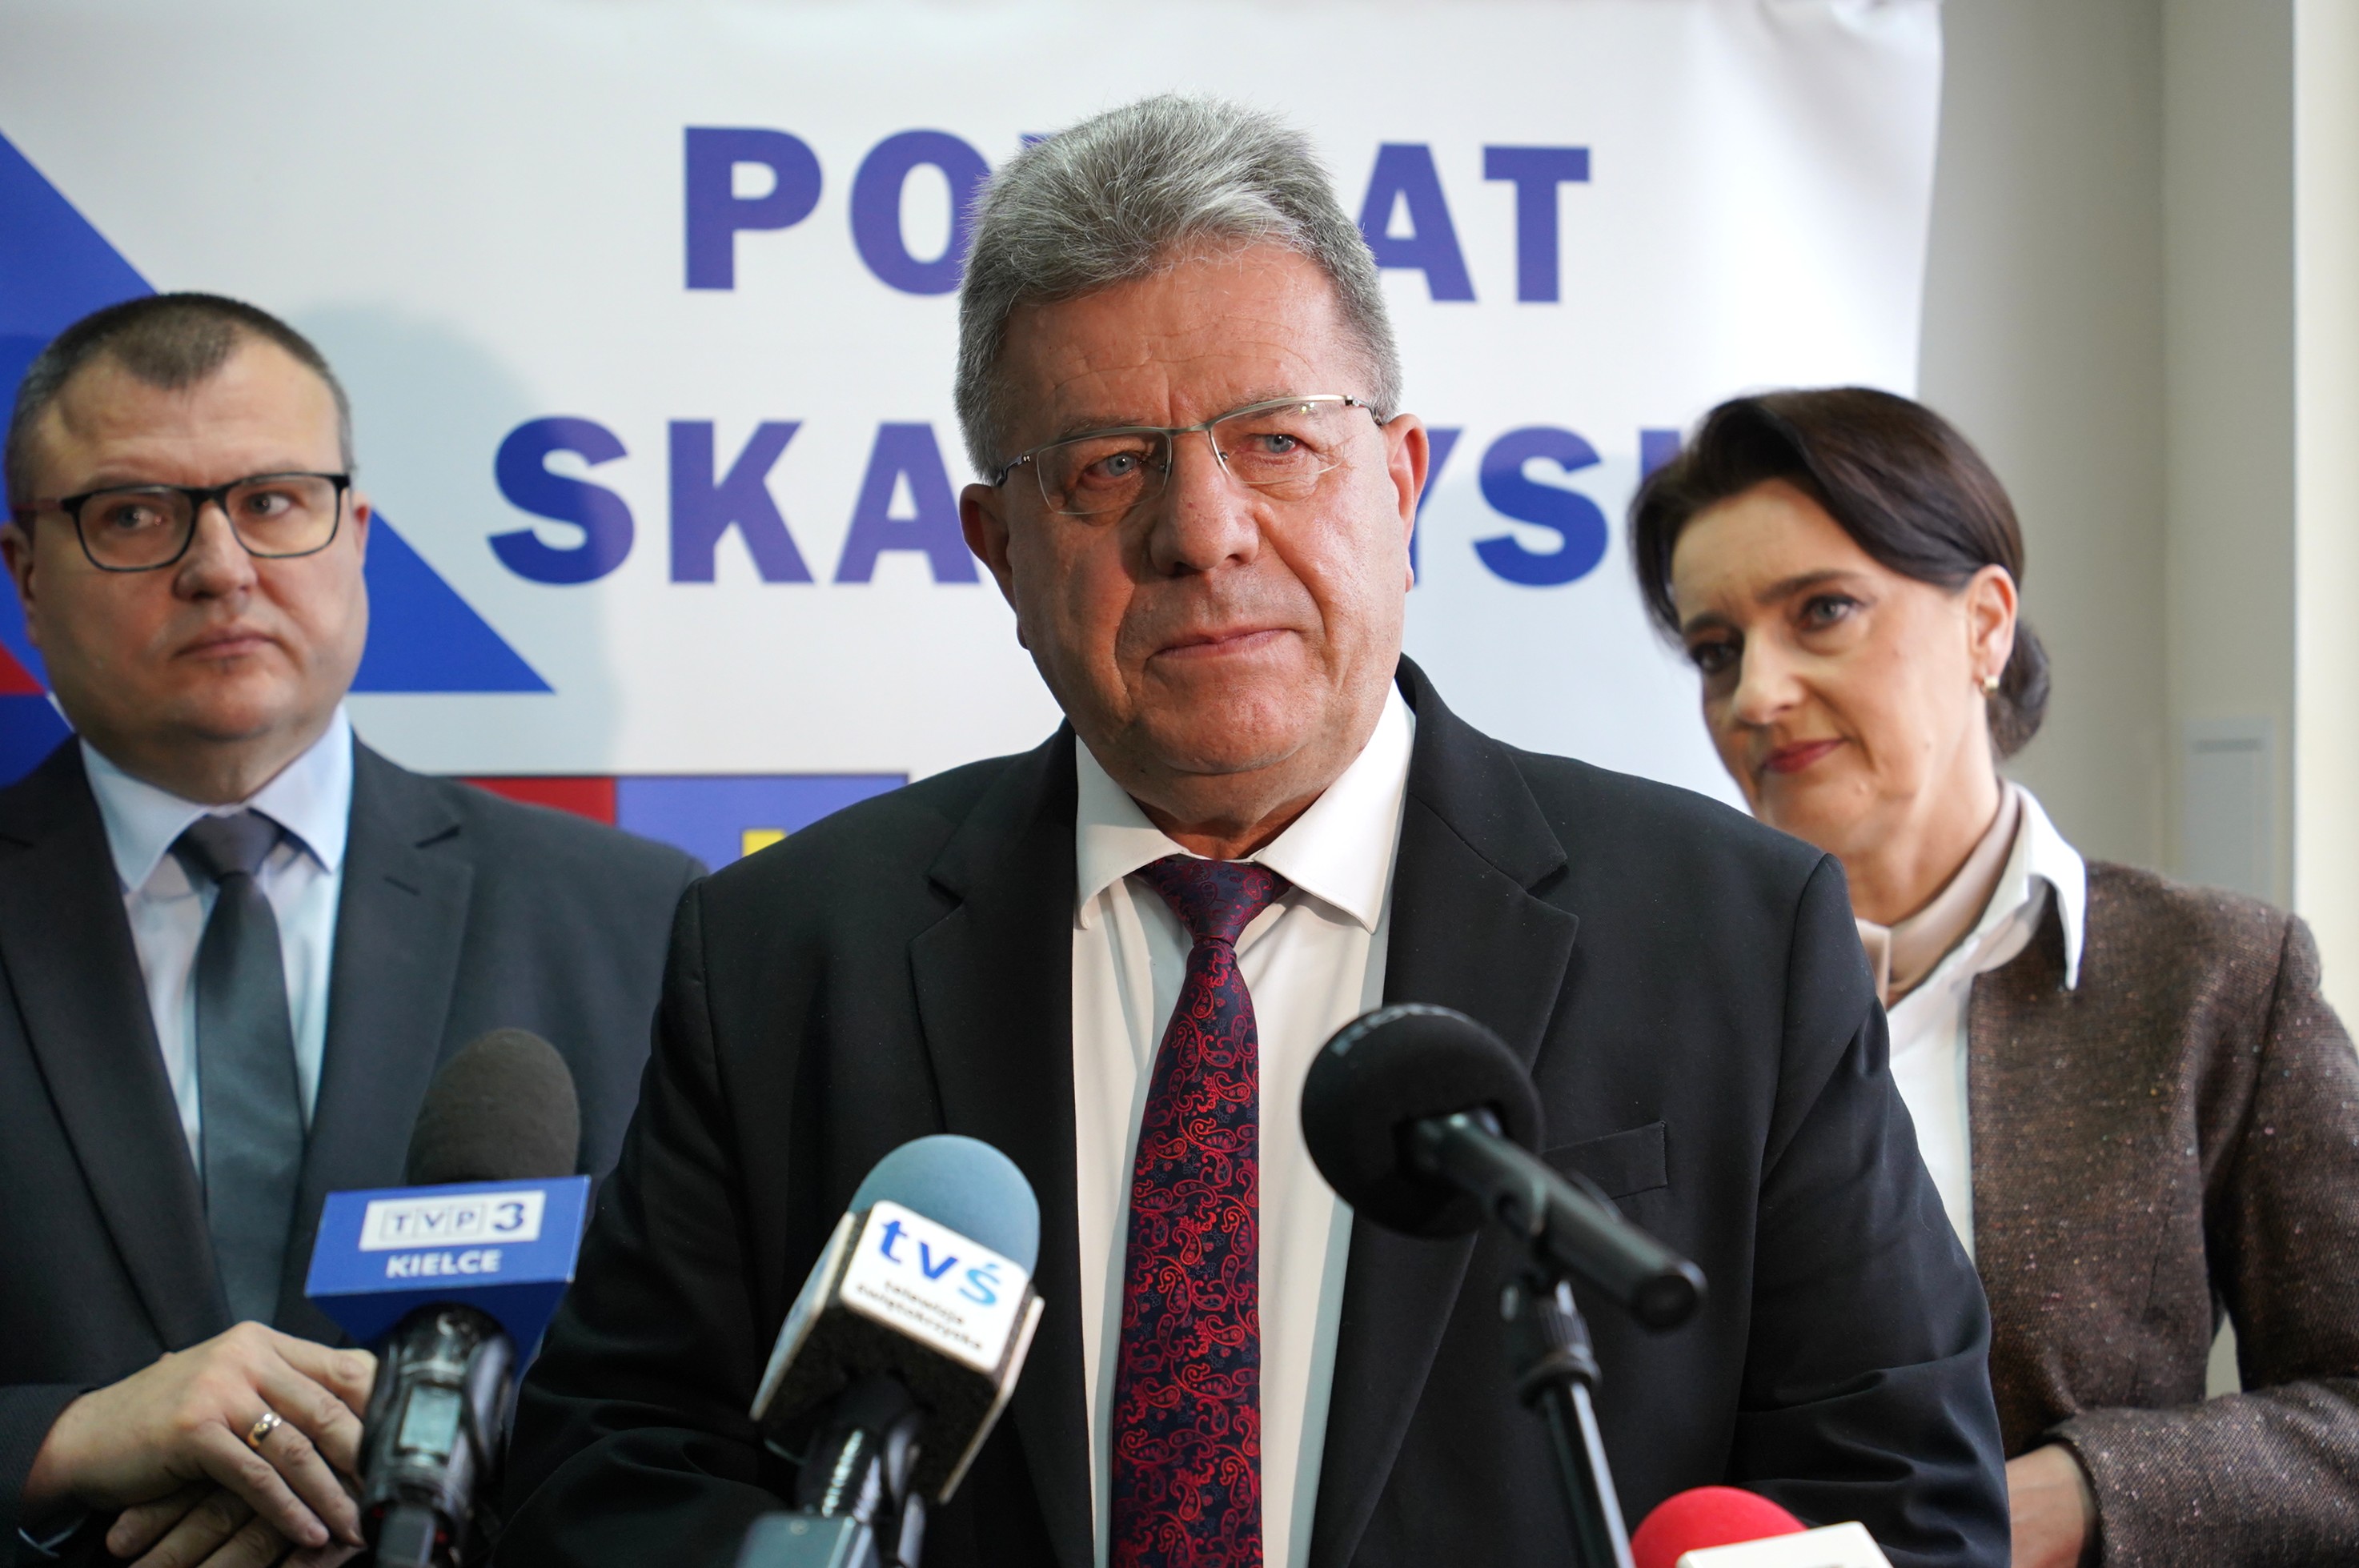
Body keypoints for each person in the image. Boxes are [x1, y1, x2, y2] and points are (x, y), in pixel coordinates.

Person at [498, 96, 2009, 1568]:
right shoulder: (784, 956)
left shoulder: (1734, 936)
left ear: (1400, 484)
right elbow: (608, 1480)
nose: (1204, 532)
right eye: (1107, 466)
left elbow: (1904, 1503)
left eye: (1277, 441)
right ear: (999, 551)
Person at [0, 294, 702, 1567]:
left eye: (273, 501)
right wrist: (54, 1443)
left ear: (356, 536)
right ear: (27, 575)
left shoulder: (641, 923)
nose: (220, 567)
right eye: (135, 516)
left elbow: (707, 1404)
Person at [1630, 386, 2359, 1567]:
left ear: (1986, 625)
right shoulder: (1644, 987)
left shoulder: (2212, 978)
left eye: (1822, 612)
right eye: (1719, 651)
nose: (1756, 694)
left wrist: (2080, 1495)